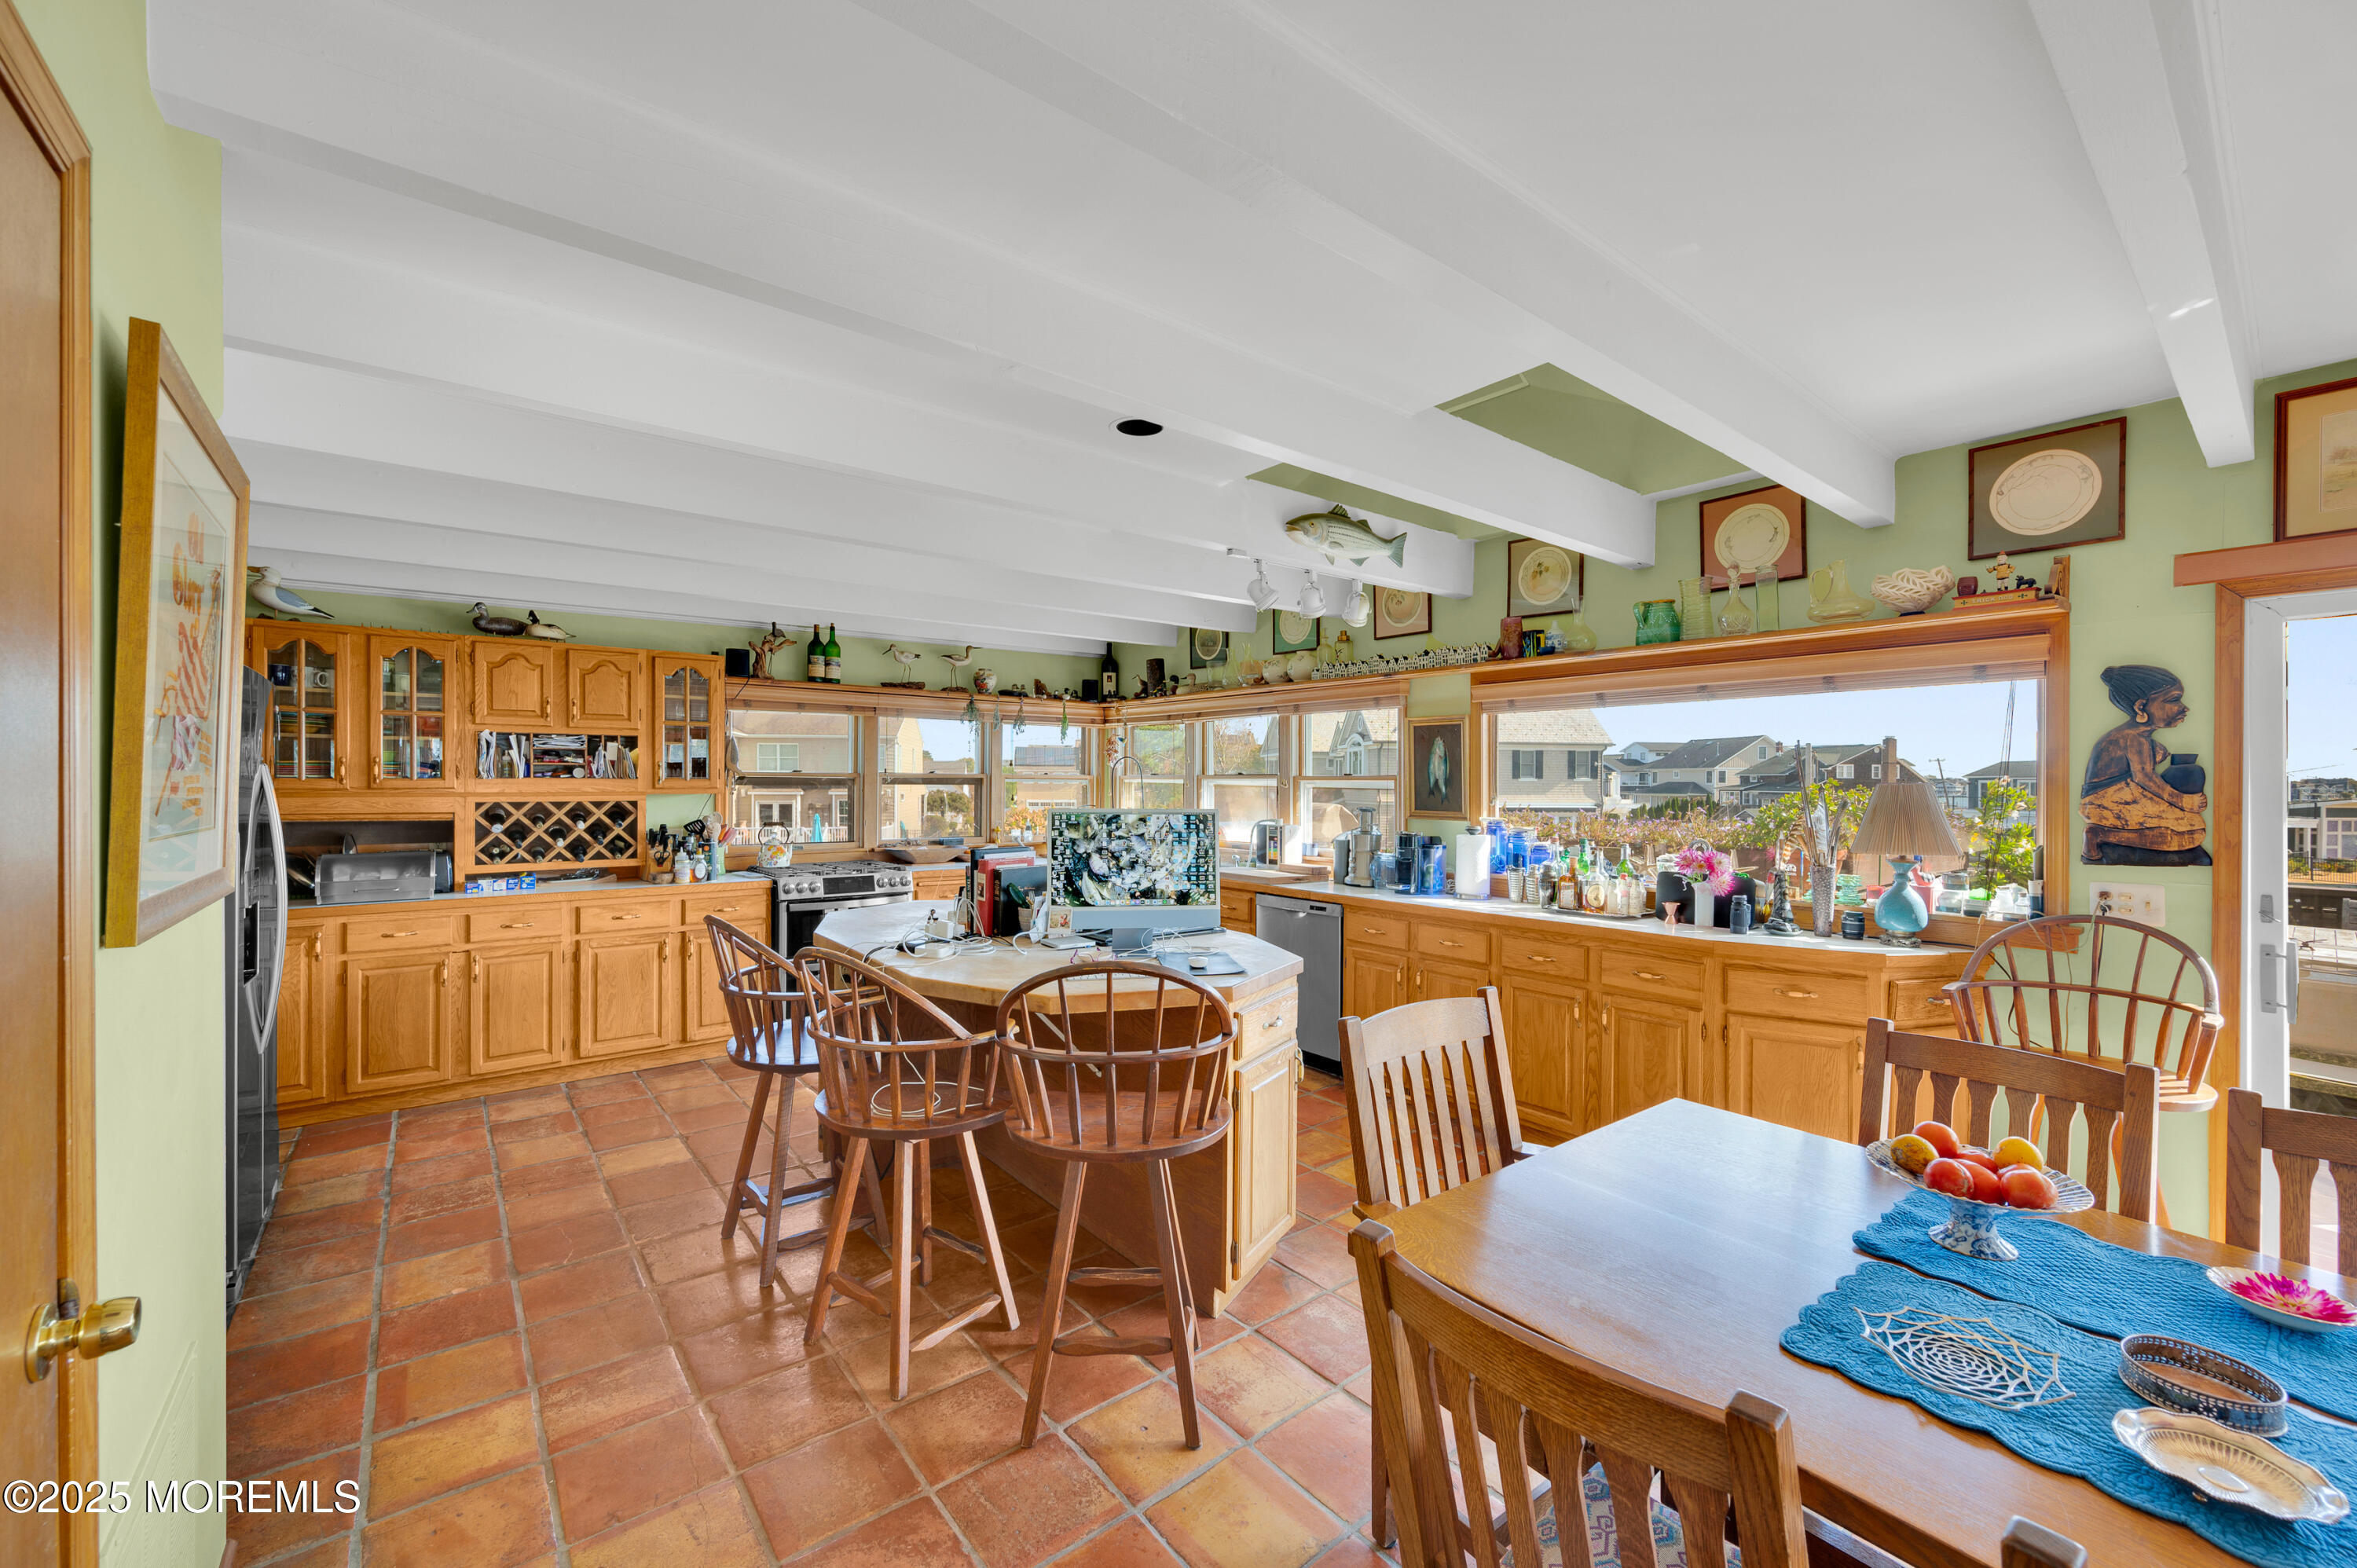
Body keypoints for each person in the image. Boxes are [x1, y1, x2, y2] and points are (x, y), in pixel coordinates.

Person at [2081, 665, 2211, 866]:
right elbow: (2144, 777)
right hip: (2104, 801)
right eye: (2174, 700)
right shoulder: (2134, 737)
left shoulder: (2137, 737)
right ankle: (2099, 835)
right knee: (2193, 833)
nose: (2184, 707)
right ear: (2141, 707)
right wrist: (2182, 801)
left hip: (2122, 794)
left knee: (2193, 826)